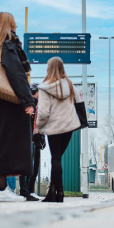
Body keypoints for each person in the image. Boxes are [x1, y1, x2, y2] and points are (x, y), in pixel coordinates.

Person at [0, 12, 34, 202]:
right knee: (7, 145)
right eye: (14, 24)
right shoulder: (8, 45)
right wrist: (28, 100)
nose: (16, 27)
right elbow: (17, 74)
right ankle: (3, 189)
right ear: (8, 26)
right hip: (8, 102)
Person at [37, 57, 82, 203]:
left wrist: (40, 127)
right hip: (69, 126)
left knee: (55, 158)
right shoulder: (69, 85)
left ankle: (56, 192)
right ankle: (56, 192)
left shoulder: (44, 87)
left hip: (54, 127)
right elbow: (79, 102)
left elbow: (43, 112)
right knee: (57, 159)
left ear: (49, 68)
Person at [19, 83, 46, 201]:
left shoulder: (38, 105)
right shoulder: (30, 105)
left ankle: (29, 190)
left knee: (34, 167)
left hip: (35, 138)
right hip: (29, 138)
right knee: (27, 166)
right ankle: (24, 191)